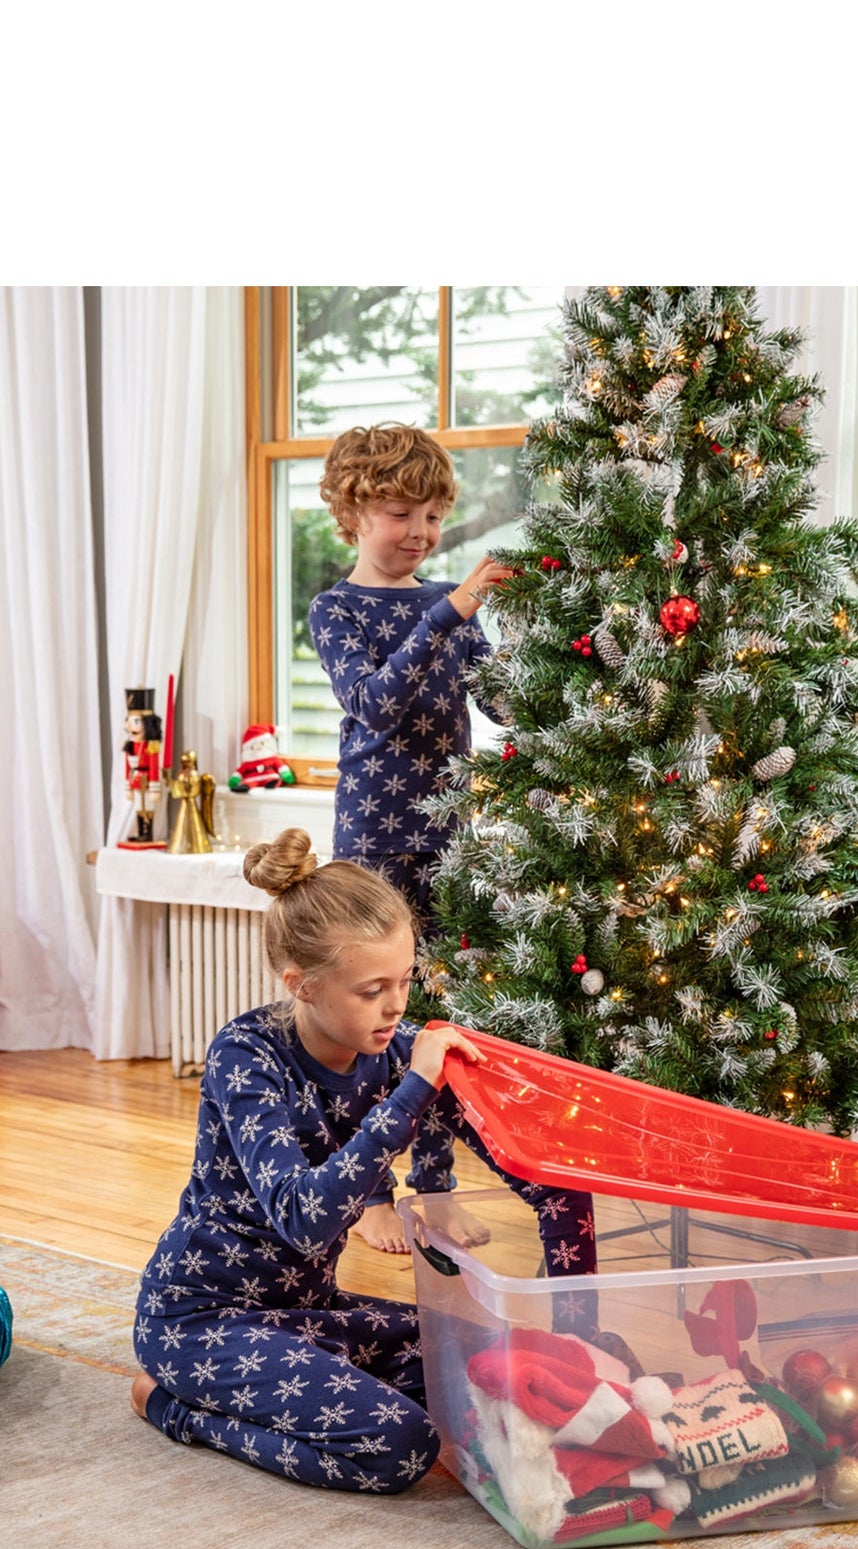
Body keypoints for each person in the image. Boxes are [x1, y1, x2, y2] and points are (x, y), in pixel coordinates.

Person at [130, 828, 595, 1495]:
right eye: (372, 989)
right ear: (302, 985)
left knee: (499, 1368)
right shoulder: (246, 1056)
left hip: (311, 1313)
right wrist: (413, 1090)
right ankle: (172, 1407)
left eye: (404, 981)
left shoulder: (397, 1051)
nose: (397, 1005)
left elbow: (549, 1186)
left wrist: (579, 1338)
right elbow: (304, 1220)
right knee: (400, 1448)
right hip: (203, 1321)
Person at [307, 422, 515, 1255]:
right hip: (373, 841)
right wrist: (449, 611)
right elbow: (374, 704)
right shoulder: (337, 609)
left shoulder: (450, 611)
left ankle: (435, 1186)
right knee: (369, 1019)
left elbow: (502, 705)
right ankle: (369, 1192)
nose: (420, 532)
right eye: (400, 513)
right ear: (352, 513)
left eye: (432, 515)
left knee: (441, 1017)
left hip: (450, 835)